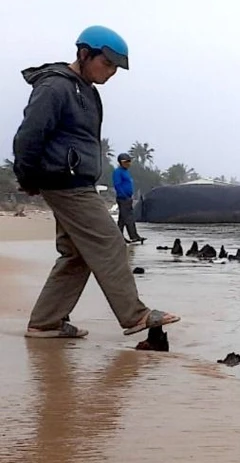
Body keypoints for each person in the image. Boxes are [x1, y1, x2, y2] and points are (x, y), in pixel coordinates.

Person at [11, 25, 180, 339]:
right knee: (109, 242)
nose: (112, 72)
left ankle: (46, 322)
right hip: (65, 182)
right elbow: (28, 135)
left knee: (76, 254)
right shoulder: (56, 87)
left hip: (74, 180)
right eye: (108, 63)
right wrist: (28, 176)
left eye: (116, 67)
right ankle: (135, 315)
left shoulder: (87, 91)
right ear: (84, 54)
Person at [112, 152, 145, 243]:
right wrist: (124, 195)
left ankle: (119, 237)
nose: (128, 164)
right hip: (123, 198)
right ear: (121, 162)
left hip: (128, 198)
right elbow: (117, 185)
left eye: (129, 162)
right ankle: (134, 236)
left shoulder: (126, 172)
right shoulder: (117, 172)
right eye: (126, 162)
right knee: (129, 218)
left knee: (122, 219)